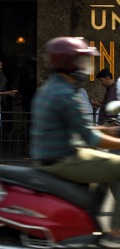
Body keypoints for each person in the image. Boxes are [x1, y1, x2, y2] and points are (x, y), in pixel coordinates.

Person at [30, 37, 120, 249]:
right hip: (64, 159)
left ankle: (90, 221)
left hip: (53, 156)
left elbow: (79, 128)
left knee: (106, 165)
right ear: (69, 63)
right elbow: (91, 139)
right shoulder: (65, 93)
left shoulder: (52, 88)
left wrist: (108, 130)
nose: (85, 66)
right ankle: (115, 233)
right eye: (82, 61)